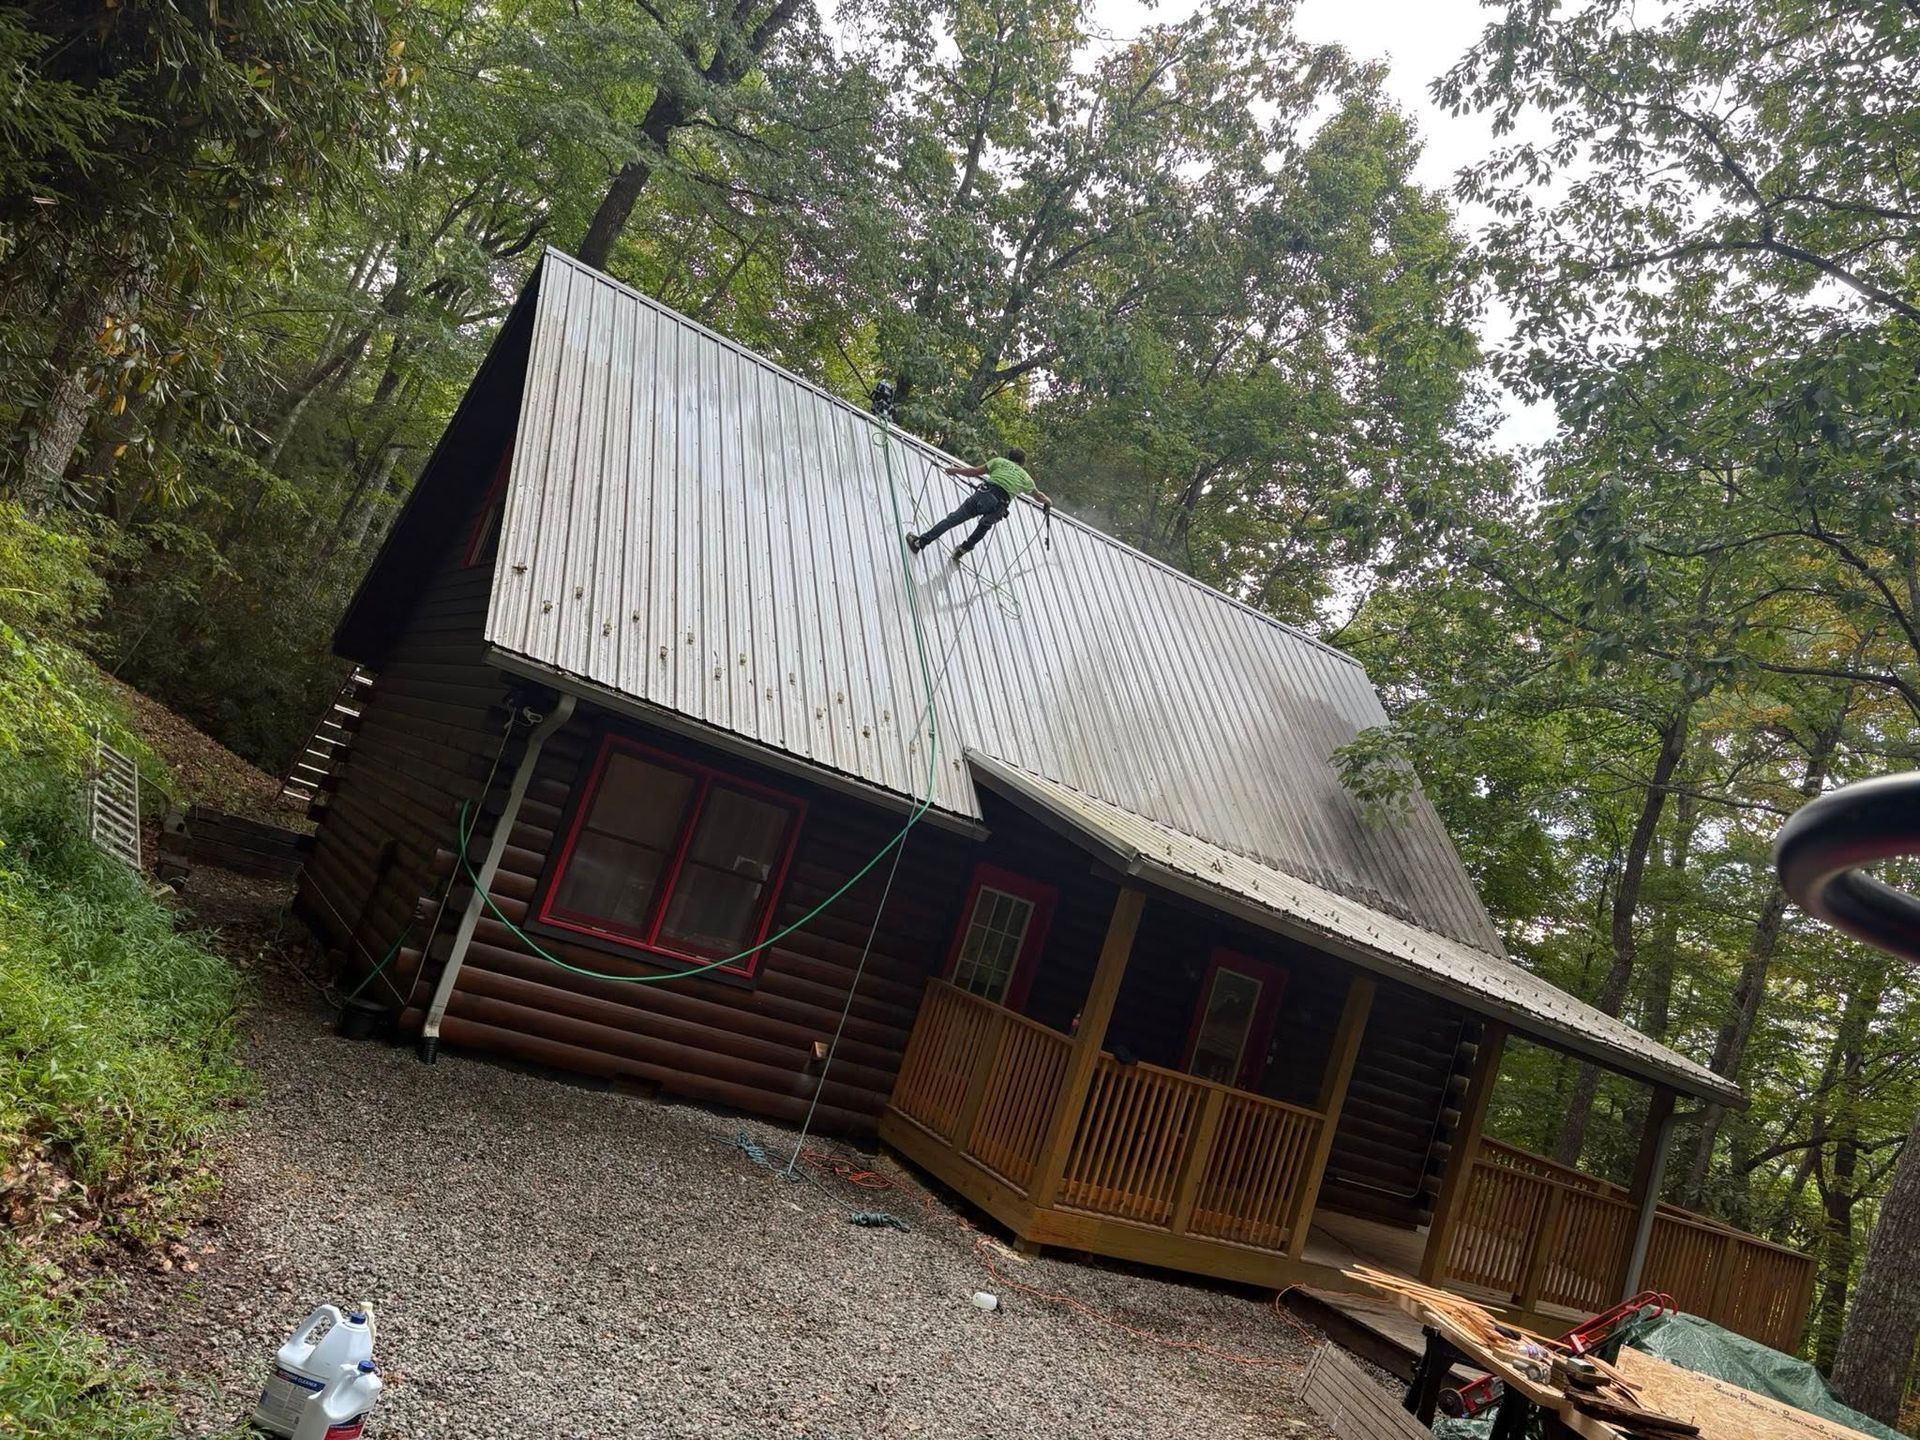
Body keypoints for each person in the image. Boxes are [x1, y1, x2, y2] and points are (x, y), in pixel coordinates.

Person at [906, 448, 1051, 561]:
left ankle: (920, 543)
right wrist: (1048, 502)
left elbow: (974, 472)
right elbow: (1039, 496)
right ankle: (963, 549)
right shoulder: (1026, 478)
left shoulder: (999, 461)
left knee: (953, 519)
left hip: (985, 495)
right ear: (1022, 463)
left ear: (1009, 457)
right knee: (984, 526)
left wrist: (954, 471)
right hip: (999, 506)